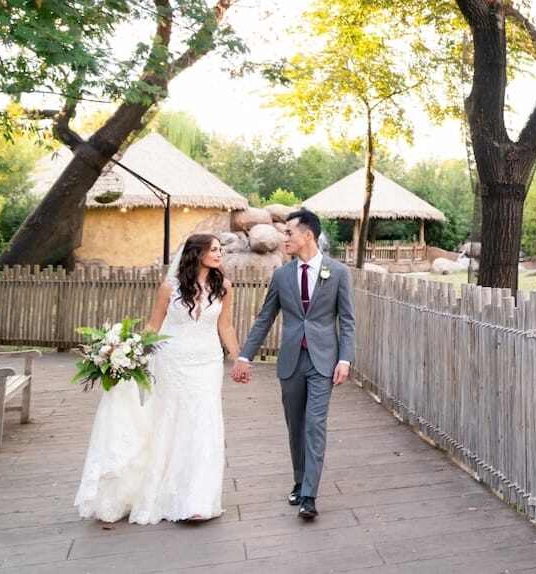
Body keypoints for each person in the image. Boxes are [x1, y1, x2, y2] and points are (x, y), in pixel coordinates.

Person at [74, 233, 239, 524]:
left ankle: (198, 499)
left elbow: (225, 326)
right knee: (170, 421)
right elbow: (154, 324)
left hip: (207, 362)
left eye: (220, 249)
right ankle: (164, 491)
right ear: (196, 253)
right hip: (172, 360)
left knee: (204, 423)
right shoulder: (170, 288)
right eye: (214, 249)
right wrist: (128, 351)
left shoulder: (224, 287)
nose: (219, 253)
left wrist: (239, 359)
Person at [232, 208, 355, 520]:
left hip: (323, 361)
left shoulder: (338, 272)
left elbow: (348, 321)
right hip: (290, 361)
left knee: (315, 425)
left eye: (288, 233)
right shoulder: (281, 275)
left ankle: (310, 496)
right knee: (295, 426)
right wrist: (244, 355)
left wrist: (345, 358)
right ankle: (300, 481)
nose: (283, 238)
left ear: (307, 235)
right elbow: (265, 318)